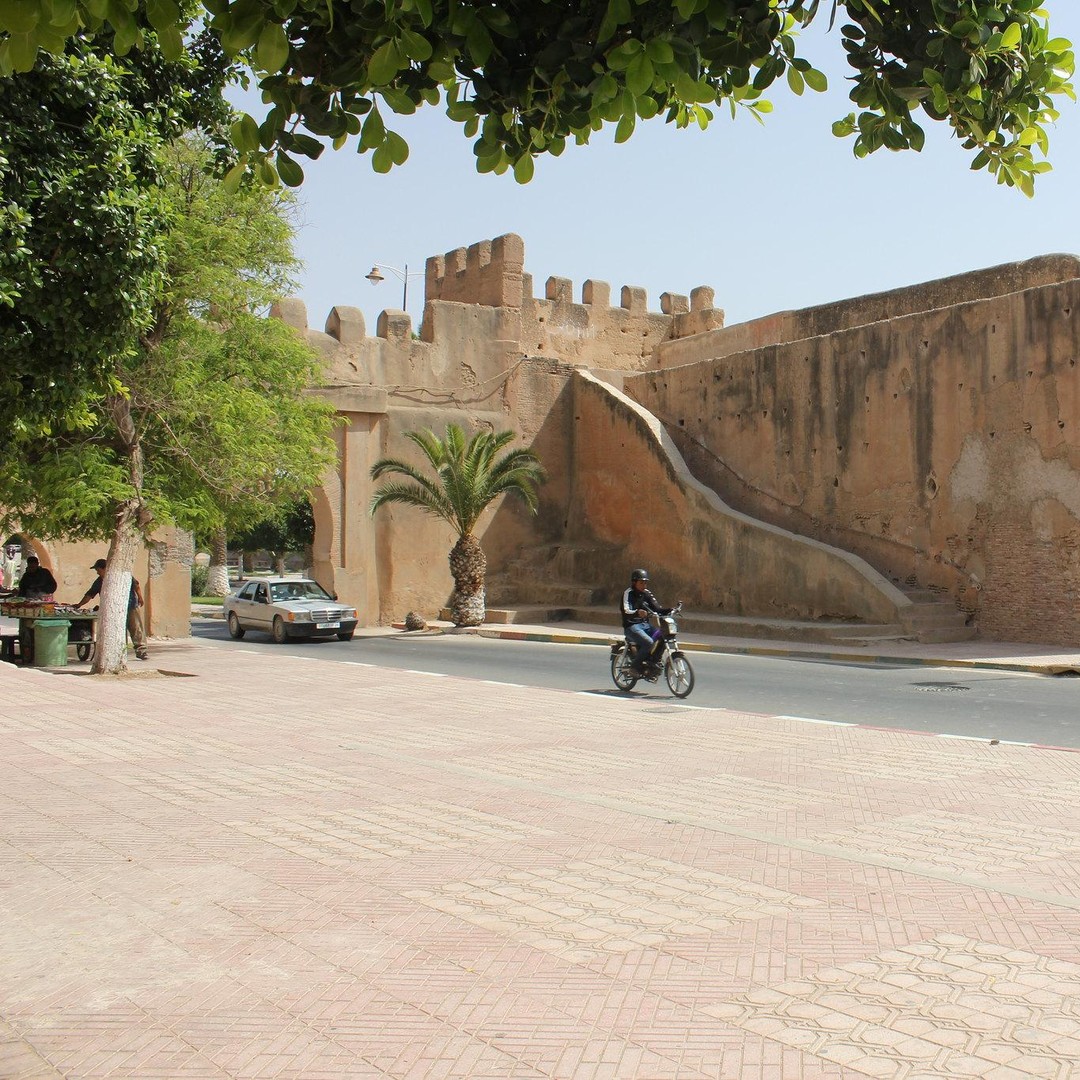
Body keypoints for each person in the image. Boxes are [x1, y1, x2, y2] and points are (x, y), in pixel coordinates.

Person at [75, 558, 149, 660]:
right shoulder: (99, 582)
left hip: (131, 605)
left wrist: (140, 597)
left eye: (98, 570)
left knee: (136, 628)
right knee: (119, 631)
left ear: (105, 569)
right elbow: (90, 594)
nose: (97, 572)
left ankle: (142, 651)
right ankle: (121, 651)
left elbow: (136, 585)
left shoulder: (122, 575)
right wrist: (79, 605)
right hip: (114, 609)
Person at [621, 568, 674, 673]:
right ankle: (634, 667)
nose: (644, 585)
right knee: (649, 642)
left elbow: (657, 609)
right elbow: (626, 610)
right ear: (634, 582)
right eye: (641, 583)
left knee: (664, 635)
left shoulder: (647, 593)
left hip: (645, 625)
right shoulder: (628, 593)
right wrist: (637, 612)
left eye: (645, 582)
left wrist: (670, 610)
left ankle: (653, 661)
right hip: (632, 626)